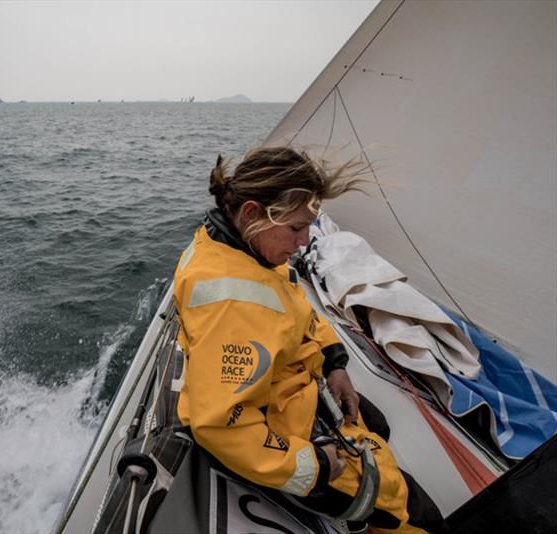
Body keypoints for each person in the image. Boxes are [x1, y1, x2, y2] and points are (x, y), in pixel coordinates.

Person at [172, 147, 445, 533]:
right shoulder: (230, 304)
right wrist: (314, 467)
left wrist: (334, 362)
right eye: (296, 228)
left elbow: (292, 302)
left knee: (378, 425)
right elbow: (220, 425)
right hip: (285, 434)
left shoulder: (243, 248)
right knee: (415, 515)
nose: (304, 241)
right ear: (251, 212)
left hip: (299, 390)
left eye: (308, 226)